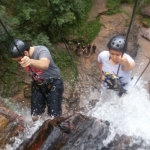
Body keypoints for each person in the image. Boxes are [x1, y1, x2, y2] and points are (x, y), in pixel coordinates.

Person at [9, 39, 64, 121]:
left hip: (54, 83)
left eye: (19, 60)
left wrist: (30, 61)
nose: (19, 63)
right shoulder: (24, 58)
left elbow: (45, 64)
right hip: (38, 84)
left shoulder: (41, 50)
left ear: (25, 53)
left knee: (54, 117)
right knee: (35, 116)